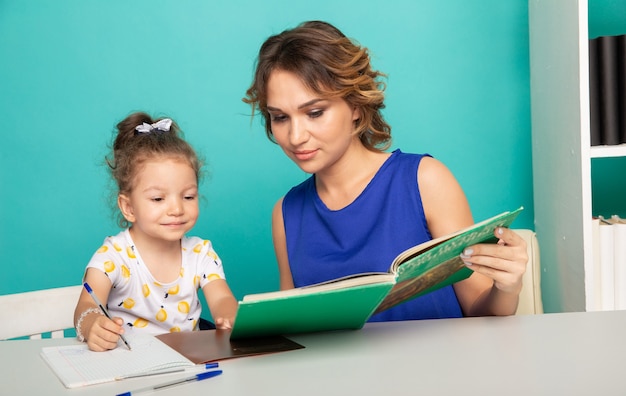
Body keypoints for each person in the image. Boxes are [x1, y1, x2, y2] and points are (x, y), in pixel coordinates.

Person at [243, 20, 528, 321]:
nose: (296, 136)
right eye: (280, 117)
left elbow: (481, 310)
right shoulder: (286, 214)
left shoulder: (425, 180)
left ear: (355, 106)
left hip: (437, 366)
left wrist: (507, 287)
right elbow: (294, 325)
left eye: (315, 112)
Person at [73, 112, 238, 351]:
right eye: (158, 198)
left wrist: (229, 316)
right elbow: (87, 304)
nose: (177, 209)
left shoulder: (201, 254)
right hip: (129, 364)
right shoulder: (114, 255)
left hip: (187, 365)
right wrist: (92, 325)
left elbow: (222, 298)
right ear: (128, 207)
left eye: (188, 196)